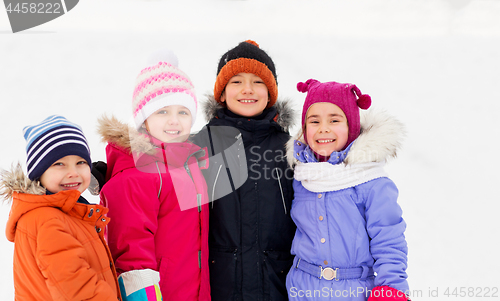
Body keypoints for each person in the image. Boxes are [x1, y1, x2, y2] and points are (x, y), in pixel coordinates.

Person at [98, 49, 210, 301]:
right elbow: (131, 252)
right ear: (143, 119)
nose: (174, 121)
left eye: (183, 112)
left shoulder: (188, 164)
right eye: (162, 111)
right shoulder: (138, 172)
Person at [285, 79, 410, 301]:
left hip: (354, 291)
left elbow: (388, 239)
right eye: (314, 121)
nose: (324, 128)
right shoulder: (301, 176)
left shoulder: (371, 181)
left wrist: (391, 288)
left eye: (334, 120)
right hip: (301, 289)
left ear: (351, 125)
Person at [191, 40, 296, 301]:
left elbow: (335, 174)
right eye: (236, 81)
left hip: (276, 284)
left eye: (258, 81)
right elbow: (152, 170)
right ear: (222, 93)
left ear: (270, 93)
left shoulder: (291, 149)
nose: (247, 89)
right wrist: (105, 171)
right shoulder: (200, 145)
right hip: (220, 285)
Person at [0, 115, 121, 301]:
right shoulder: (49, 221)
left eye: (80, 162)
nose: (73, 173)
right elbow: (79, 290)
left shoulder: (64, 212)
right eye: (59, 164)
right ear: (38, 174)